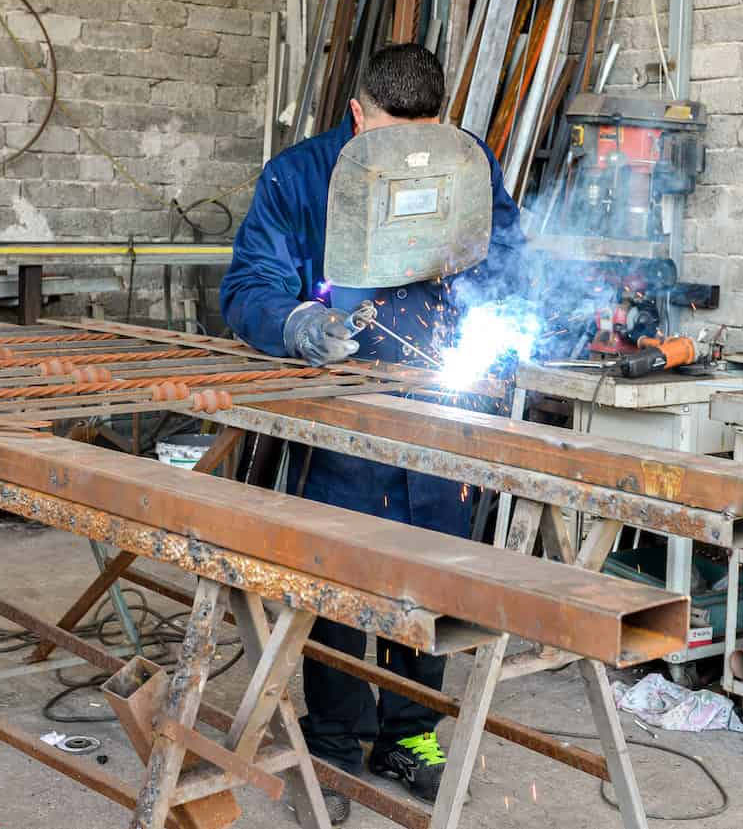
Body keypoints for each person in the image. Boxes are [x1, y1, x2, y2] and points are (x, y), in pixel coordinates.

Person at [220, 43, 524, 823]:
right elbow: (247, 284)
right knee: (340, 573)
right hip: (341, 413)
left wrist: (497, 314)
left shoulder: (467, 164)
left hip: (439, 408)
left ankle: (409, 732)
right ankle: (332, 739)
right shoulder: (299, 177)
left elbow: (510, 261)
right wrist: (298, 321)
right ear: (357, 116)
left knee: (431, 572)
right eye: (388, 140)